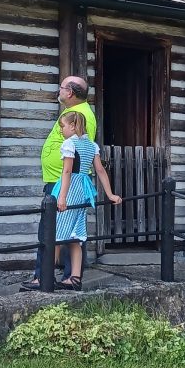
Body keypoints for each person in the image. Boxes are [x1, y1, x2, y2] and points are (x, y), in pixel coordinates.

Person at [20, 76, 96, 291]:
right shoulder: (74, 113)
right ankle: (63, 277)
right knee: (64, 231)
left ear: (70, 92)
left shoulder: (81, 115)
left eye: (62, 87)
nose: (59, 91)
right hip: (59, 180)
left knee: (54, 231)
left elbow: (81, 151)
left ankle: (45, 278)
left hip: (63, 182)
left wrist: (63, 190)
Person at [52, 111, 121, 290]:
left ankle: (46, 276)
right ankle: (75, 278)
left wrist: (62, 197)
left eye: (63, 126)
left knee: (56, 235)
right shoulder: (92, 145)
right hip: (84, 189)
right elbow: (100, 171)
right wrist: (110, 194)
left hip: (70, 188)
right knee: (75, 237)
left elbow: (67, 172)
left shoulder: (69, 144)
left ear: (73, 126)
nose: (61, 130)